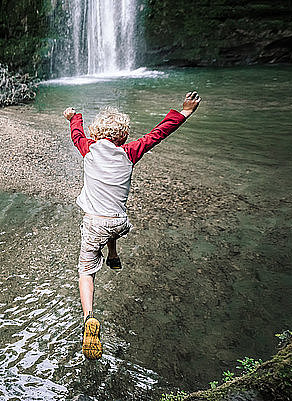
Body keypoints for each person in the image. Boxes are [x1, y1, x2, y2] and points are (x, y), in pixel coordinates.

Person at [64, 91, 201, 360]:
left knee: (85, 271)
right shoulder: (130, 152)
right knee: (112, 228)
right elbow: (159, 133)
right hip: (119, 222)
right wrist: (186, 111)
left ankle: (89, 318)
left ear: (97, 134)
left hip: (95, 223)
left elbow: (76, 134)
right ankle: (113, 254)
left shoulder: (88, 148)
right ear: (123, 136)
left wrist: (73, 116)